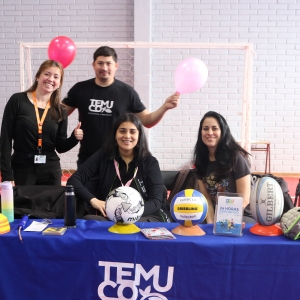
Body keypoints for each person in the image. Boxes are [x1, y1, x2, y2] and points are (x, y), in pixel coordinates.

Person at [62, 45, 180, 166]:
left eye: (108, 63)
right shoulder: (80, 89)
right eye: (100, 63)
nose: (104, 67)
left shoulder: (127, 92)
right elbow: (58, 114)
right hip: (87, 159)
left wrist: (164, 107)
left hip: (117, 160)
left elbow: (147, 120)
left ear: (116, 66)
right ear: (93, 65)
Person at [67, 112, 169, 222]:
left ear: (139, 137)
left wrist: (130, 214)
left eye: (132, 132)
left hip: (141, 216)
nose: (127, 136)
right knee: (90, 221)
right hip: (109, 215)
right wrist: (94, 200)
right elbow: (73, 180)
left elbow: (156, 201)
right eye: (122, 131)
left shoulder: (150, 162)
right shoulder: (102, 156)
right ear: (115, 135)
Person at [0, 60, 83, 186]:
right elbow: (5, 140)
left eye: (56, 77)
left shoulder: (60, 110)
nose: (50, 79)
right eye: (47, 74)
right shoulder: (17, 100)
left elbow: (60, 146)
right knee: (23, 206)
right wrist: (6, 174)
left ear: (59, 83)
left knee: (52, 206)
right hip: (22, 168)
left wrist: (74, 138)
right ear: (38, 76)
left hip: (50, 170)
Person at [192, 111, 254, 223]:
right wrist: (211, 226)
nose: (210, 132)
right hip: (217, 217)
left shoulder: (237, 158)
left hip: (242, 216)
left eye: (215, 128)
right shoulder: (200, 161)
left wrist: (224, 222)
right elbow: (206, 200)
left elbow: (244, 200)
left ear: (222, 131)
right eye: (205, 128)